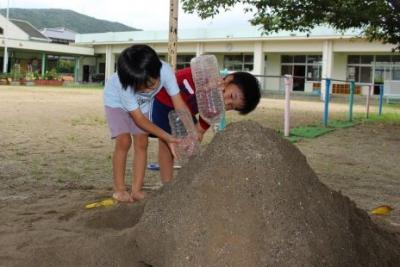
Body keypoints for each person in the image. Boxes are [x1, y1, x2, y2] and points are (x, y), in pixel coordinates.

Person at [103, 44, 190, 202]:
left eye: (151, 85)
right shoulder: (125, 87)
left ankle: (136, 190)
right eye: (142, 88)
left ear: (157, 71)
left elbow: (179, 104)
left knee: (142, 142)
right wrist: (167, 137)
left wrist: (189, 130)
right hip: (116, 102)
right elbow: (139, 120)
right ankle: (120, 190)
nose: (149, 90)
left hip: (142, 104)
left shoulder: (165, 71)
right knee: (124, 141)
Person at [152, 67, 261, 183]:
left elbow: (199, 131)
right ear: (228, 80)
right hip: (163, 101)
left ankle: (188, 181)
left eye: (232, 107)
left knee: (191, 146)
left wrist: (193, 140)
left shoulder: (214, 108)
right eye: (231, 96)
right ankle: (167, 184)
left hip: (184, 114)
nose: (226, 103)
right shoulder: (201, 76)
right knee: (166, 146)